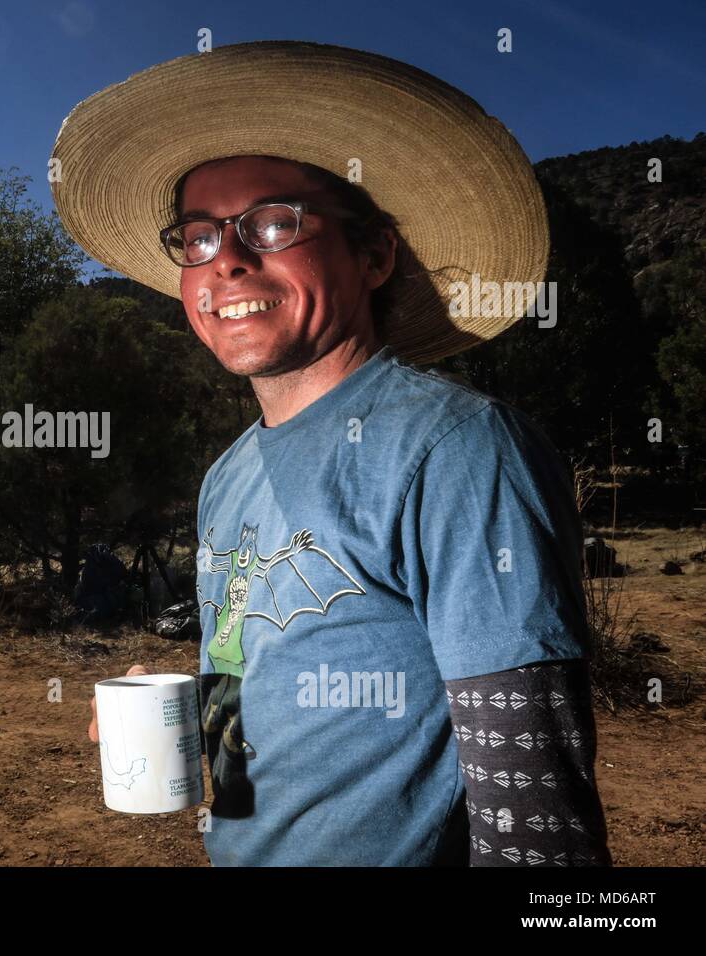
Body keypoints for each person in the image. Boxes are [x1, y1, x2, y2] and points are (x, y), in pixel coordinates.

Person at [62, 41, 611, 866]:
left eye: (274, 222)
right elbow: (259, 687)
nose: (229, 259)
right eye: (200, 237)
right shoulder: (228, 475)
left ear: (375, 256)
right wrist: (181, 709)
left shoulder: (457, 449)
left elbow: (538, 814)